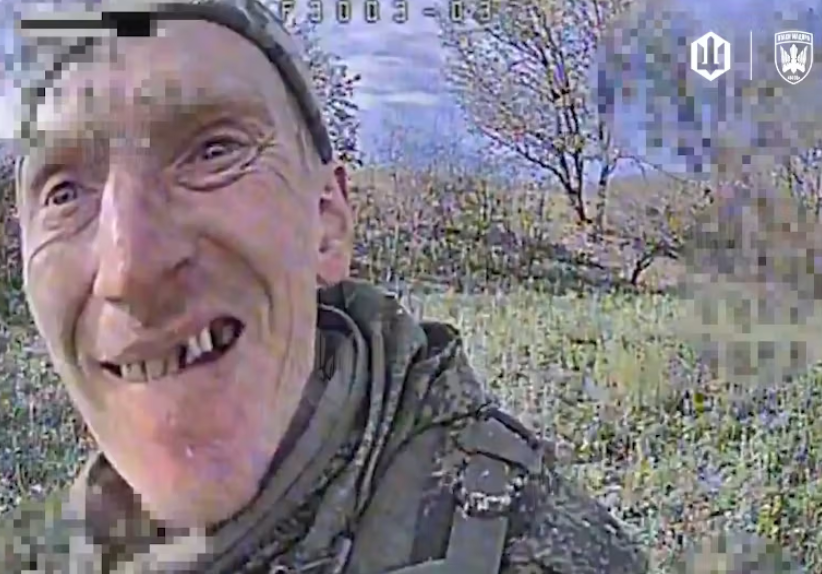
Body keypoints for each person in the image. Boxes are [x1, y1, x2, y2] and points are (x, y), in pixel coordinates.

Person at [0, 1, 648, 572]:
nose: (128, 269)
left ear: (327, 224)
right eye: (63, 192)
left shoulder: (539, 552)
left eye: (213, 150)